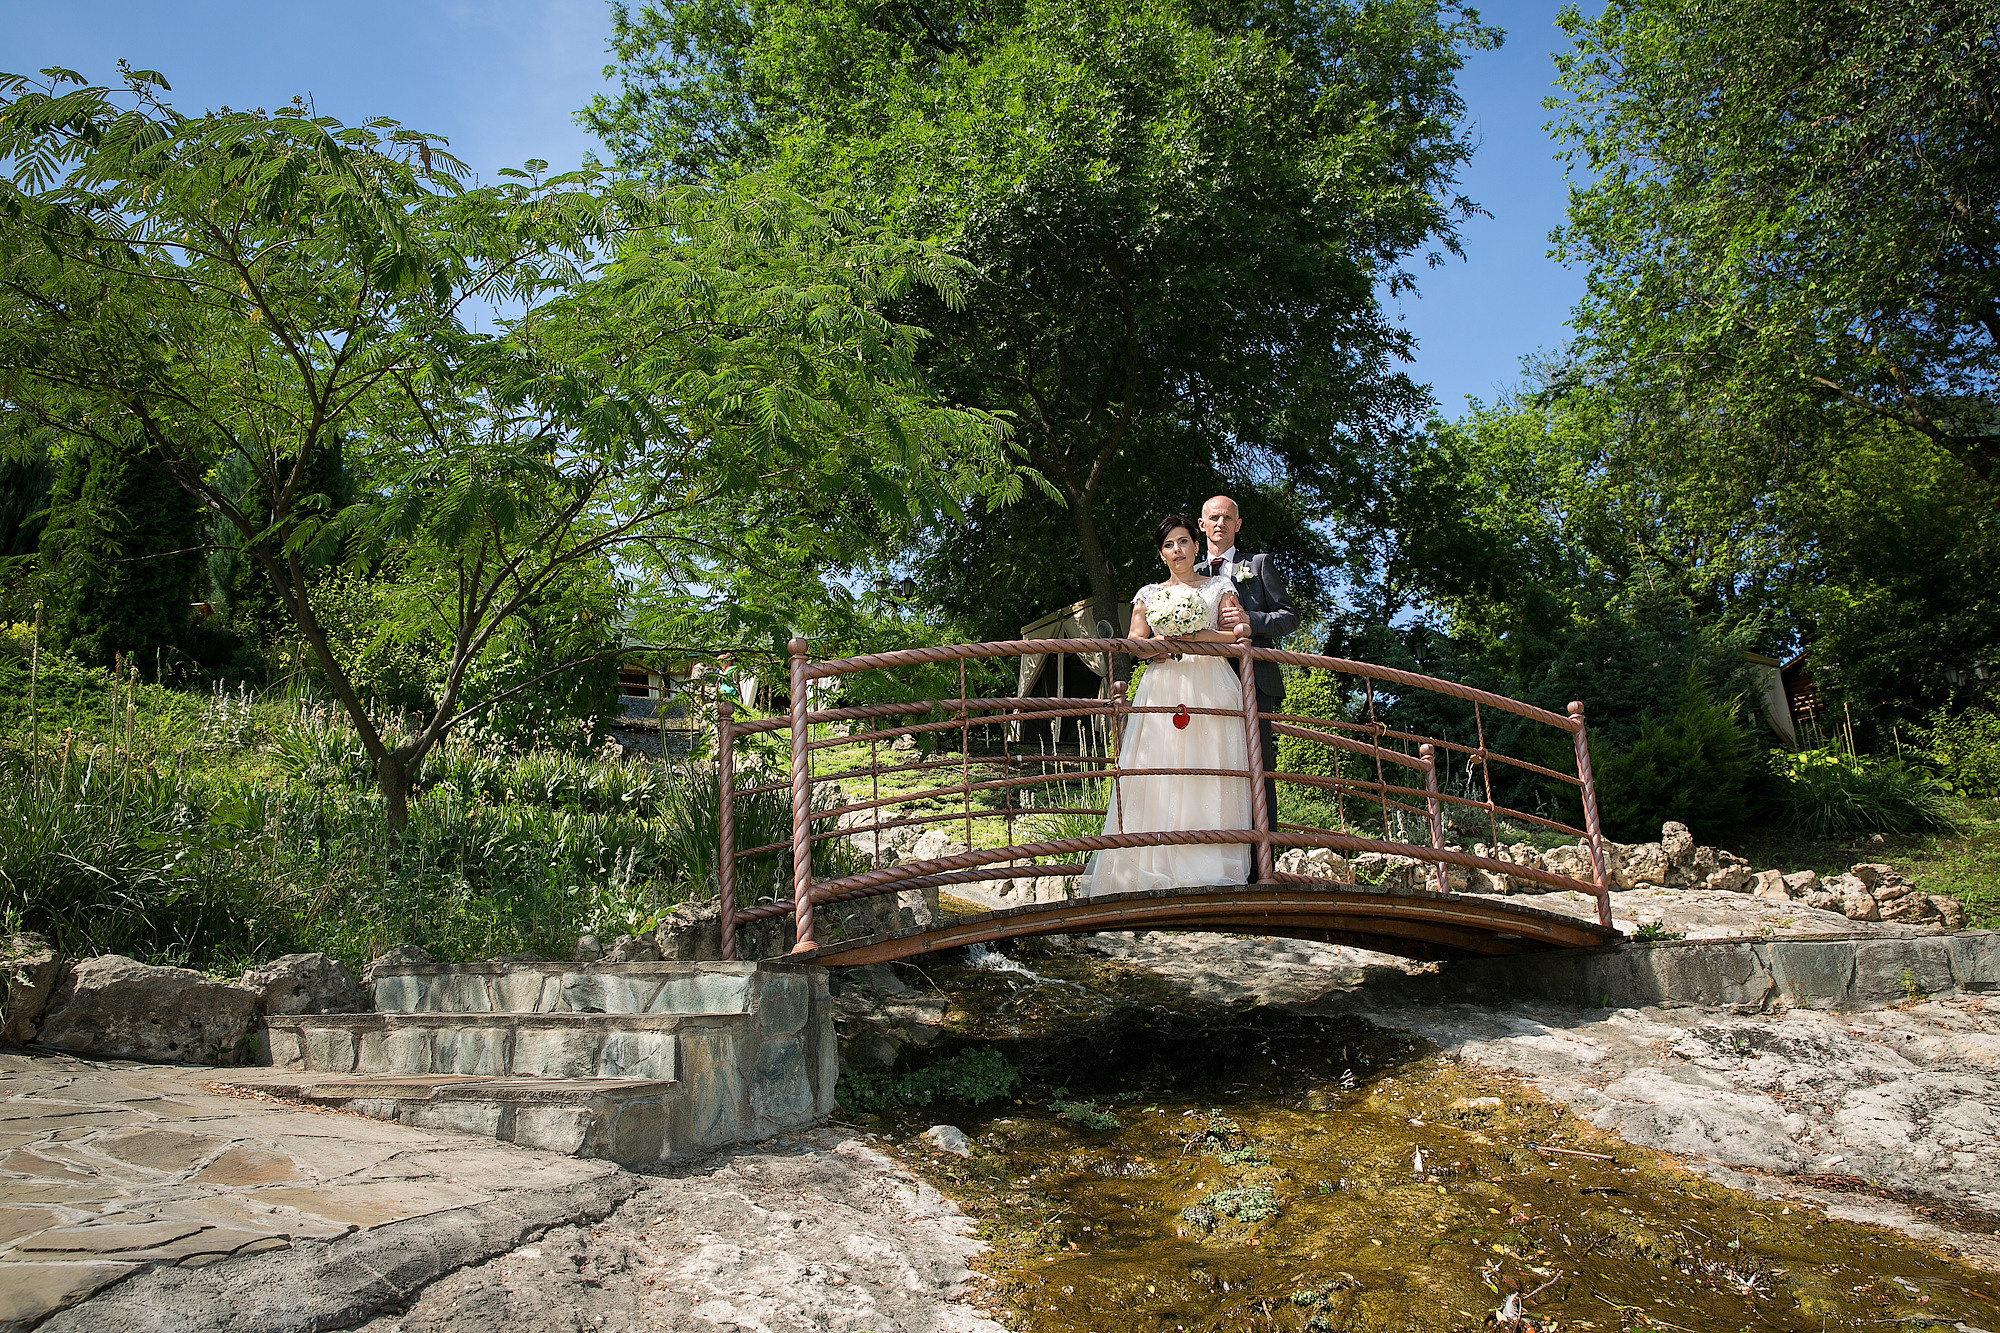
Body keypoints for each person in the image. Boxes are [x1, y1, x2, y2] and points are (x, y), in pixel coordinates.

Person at [1086, 515, 1253, 896]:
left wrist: (1196, 634)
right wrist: (1157, 646)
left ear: (1196, 546)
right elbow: (1134, 641)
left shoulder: (1220, 586)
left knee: (1209, 768)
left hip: (1211, 684)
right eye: (1168, 545)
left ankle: (1209, 867)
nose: (1176, 550)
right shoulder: (1148, 593)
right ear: (1161, 554)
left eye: (1182, 542)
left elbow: (1235, 636)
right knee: (1160, 769)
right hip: (1163, 687)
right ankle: (1149, 866)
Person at [1197, 494, 1297, 827]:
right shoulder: (1188, 572)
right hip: (1203, 680)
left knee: (1257, 764)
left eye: (1227, 518)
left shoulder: (1257, 564)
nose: (1220, 524)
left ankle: (1262, 860)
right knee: (1206, 762)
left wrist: (1249, 621)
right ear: (1202, 525)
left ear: (1237, 525)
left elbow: (1289, 617)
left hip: (1254, 677)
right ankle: (1215, 847)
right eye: (1213, 518)